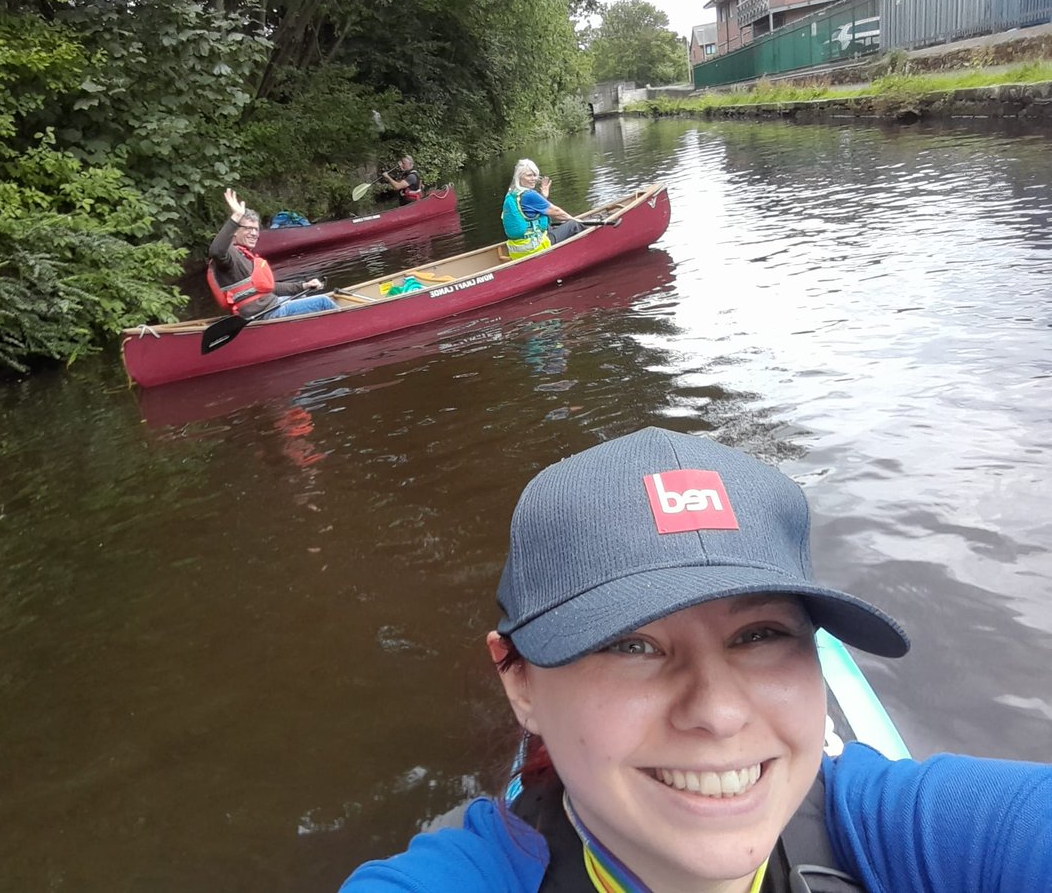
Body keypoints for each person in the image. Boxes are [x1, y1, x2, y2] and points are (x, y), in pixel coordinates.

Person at [341, 427, 1052, 892]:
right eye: (630, 644)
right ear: (519, 682)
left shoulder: (911, 834)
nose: (718, 711)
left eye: (760, 635)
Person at [206, 188, 337, 320]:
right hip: (263, 314)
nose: (254, 233)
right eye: (248, 229)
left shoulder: (245, 255)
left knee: (303, 295)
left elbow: (271, 287)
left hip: (270, 306)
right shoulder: (229, 256)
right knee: (323, 302)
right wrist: (236, 217)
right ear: (235, 231)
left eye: (256, 229)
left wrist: (303, 285)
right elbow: (216, 251)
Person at [500, 158, 583, 260]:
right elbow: (557, 212)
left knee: (549, 227)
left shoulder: (512, 194)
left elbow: (529, 213)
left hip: (518, 251)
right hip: (535, 248)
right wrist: (578, 221)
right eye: (529, 175)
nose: (534, 179)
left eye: (535, 175)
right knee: (574, 225)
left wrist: (543, 197)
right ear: (520, 177)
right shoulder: (529, 195)